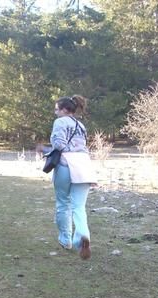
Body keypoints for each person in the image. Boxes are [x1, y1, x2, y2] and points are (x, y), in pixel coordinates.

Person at [48, 95, 97, 259]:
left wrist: (47, 151)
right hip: (84, 165)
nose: (55, 112)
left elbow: (59, 144)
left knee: (63, 202)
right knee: (79, 206)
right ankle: (83, 236)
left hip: (65, 164)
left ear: (64, 110)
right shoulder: (81, 125)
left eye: (56, 109)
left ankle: (66, 239)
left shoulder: (60, 122)